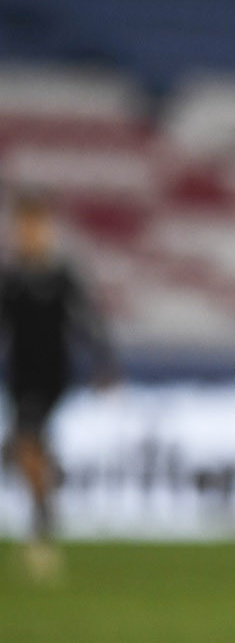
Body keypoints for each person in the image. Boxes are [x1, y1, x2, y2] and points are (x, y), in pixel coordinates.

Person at [1, 194, 115, 580]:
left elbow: (86, 321)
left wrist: (103, 361)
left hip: (50, 376)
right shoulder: (12, 279)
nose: (28, 235)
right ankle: (46, 502)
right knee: (29, 448)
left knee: (25, 441)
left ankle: (42, 529)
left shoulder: (61, 277)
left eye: (34, 227)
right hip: (18, 377)